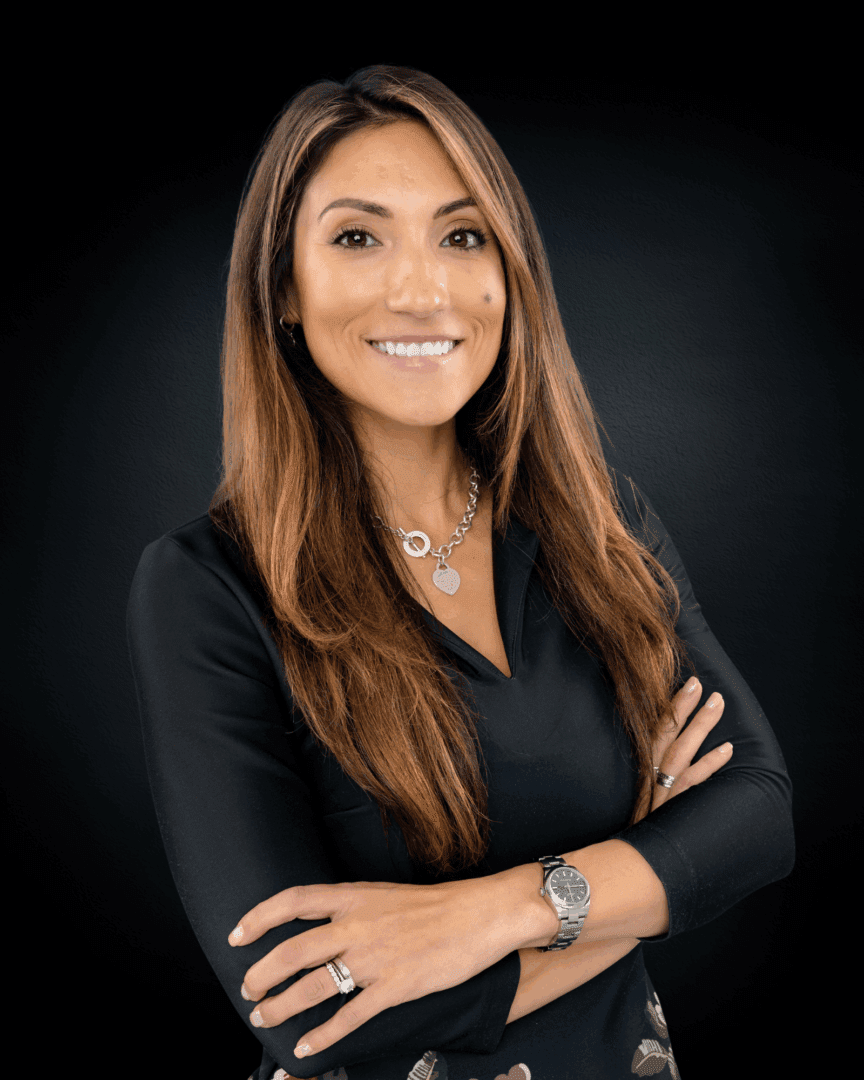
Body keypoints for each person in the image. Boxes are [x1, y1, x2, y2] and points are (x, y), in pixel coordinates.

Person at [125, 66, 795, 1080]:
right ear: (283, 291)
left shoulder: (599, 522)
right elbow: (307, 1016)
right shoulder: (205, 587)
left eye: (462, 233)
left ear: (508, 271)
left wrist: (484, 916)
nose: (422, 288)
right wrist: (647, 867)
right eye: (358, 237)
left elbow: (758, 814)